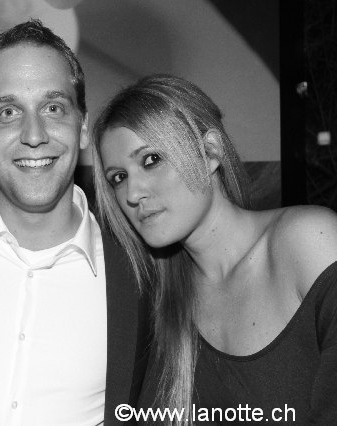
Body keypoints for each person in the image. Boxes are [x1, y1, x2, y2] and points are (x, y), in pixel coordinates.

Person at [0, 19, 148, 425]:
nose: (34, 134)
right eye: (8, 112)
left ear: (83, 127)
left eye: (53, 108)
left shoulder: (145, 262)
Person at [92, 74, 337, 424]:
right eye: (119, 177)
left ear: (210, 151)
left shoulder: (308, 240)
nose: (133, 194)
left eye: (151, 160)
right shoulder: (161, 304)